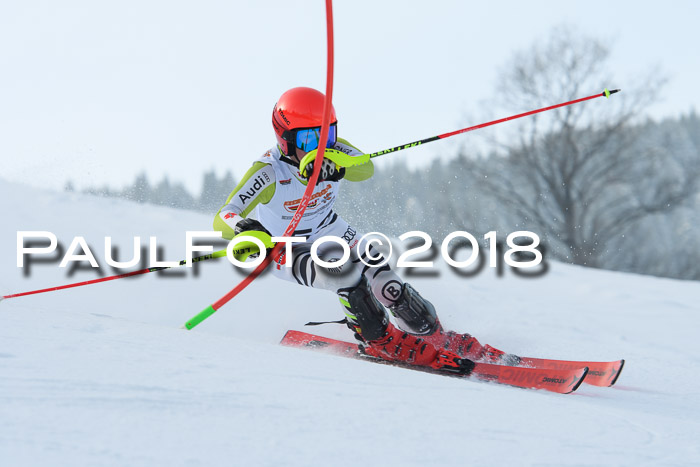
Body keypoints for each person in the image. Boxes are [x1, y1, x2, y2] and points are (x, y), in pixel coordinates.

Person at [214, 87, 509, 373]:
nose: (320, 145)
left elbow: (365, 168)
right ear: (285, 139)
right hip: (285, 246)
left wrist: (337, 164)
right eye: (308, 138)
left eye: (327, 133)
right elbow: (223, 216)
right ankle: (378, 340)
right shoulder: (268, 172)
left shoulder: (335, 151)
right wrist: (245, 228)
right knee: (346, 275)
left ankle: (432, 334)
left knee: (387, 281)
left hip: (329, 229)